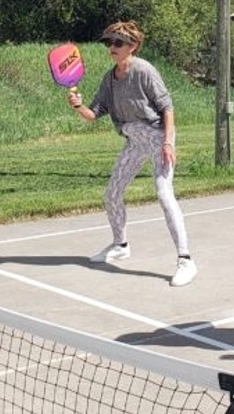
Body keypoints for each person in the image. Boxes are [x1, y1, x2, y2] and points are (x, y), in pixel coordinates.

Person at [67, 20, 197, 288]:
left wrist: (168, 143)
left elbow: (167, 107)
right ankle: (120, 245)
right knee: (112, 194)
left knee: (163, 193)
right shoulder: (109, 79)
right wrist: (78, 106)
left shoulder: (144, 71)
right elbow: (93, 115)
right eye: (109, 42)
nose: (112, 47)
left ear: (133, 47)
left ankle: (186, 260)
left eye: (118, 43)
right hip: (133, 140)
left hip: (158, 138)